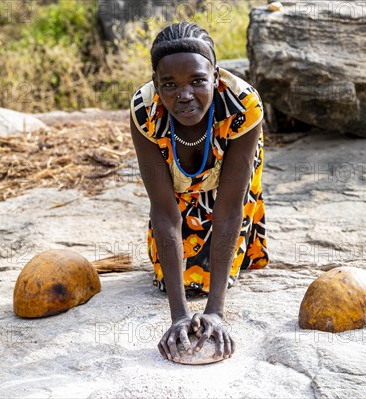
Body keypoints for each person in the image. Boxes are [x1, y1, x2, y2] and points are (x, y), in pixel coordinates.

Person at [129, 22, 269, 362]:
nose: (185, 94)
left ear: (216, 75)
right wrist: (178, 314)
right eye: (169, 85)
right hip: (176, 191)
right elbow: (164, 214)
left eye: (197, 80)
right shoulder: (145, 113)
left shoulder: (243, 107)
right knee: (172, 282)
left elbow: (229, 211)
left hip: (227, 183)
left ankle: (234, 260)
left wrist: (215, 313)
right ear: (155, 84)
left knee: (216, 279)